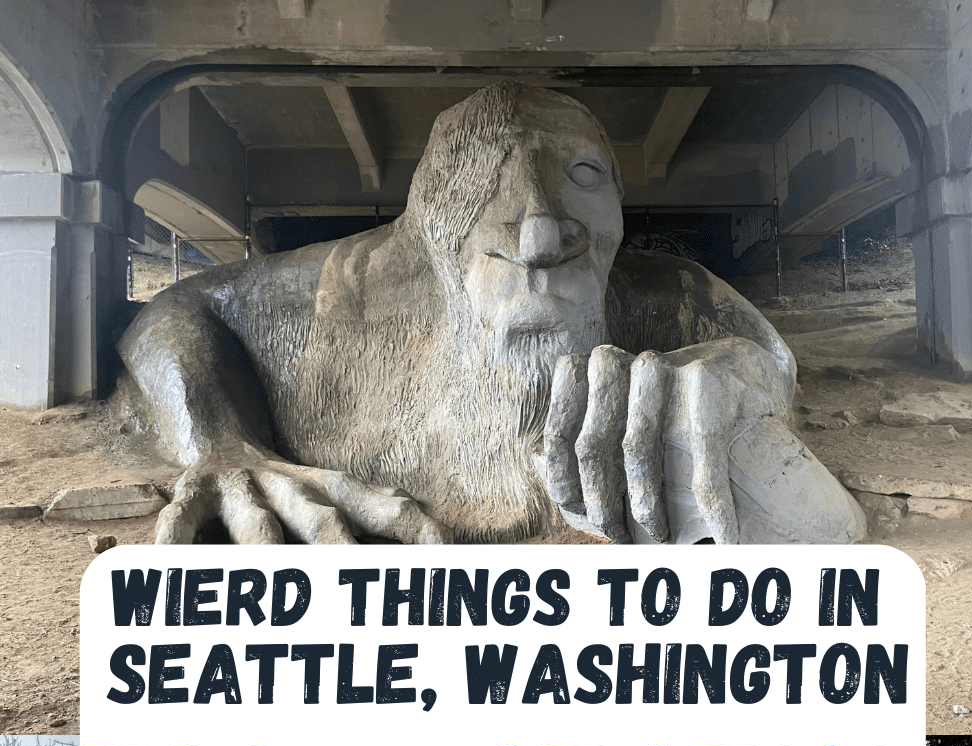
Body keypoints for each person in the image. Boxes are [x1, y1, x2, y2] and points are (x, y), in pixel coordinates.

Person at [119, 83, 865, 548]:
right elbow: (173, 312)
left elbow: (766, 352)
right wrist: (219, 445)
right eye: (482, 184)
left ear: (617, 210)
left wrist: (737, 377)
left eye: (582, 173)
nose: (540, 232)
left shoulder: (663, 293)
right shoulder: (353, 286)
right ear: (429, 231)